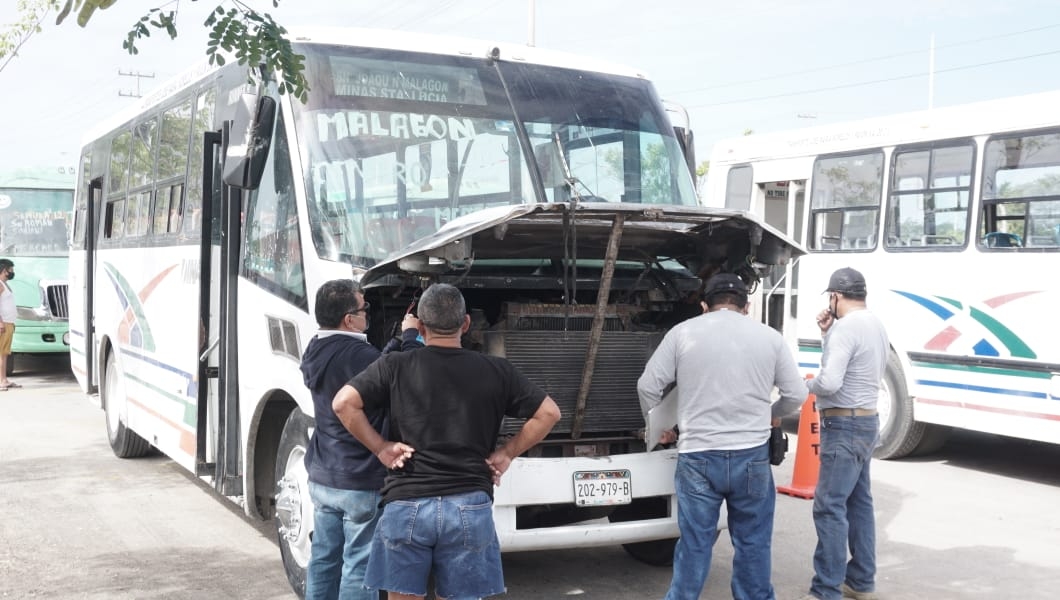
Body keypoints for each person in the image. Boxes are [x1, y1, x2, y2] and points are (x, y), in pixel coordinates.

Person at [332, 282, 561, 600]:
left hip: (406, 502)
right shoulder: (496, 370)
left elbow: (344, 403)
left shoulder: (396, 365)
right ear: (465, 324)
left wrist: (381, 448)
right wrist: (507, 453)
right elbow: (549, 413)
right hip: (470, 503)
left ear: (421, 327)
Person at [637, 273, 808, 600]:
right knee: (753, 543)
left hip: (697, 456)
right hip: (751, 457)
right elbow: (797, 394)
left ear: (704, 306)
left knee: (695, 543)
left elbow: (647, 385)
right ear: (746, 306)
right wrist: (772, 412)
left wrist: (660, 426)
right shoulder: (769, 337)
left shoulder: (682, 333)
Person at [299, 279, 422, 600]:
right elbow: (407, 376)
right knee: (359, 563)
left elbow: (370, 367)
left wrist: (391, 347)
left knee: (324, 558)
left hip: (324, 475)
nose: (368, 313)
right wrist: (410, 337)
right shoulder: (359, 355)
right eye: (364, 308)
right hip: (359, 479)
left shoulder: (316, 348)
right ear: (348, 319)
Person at [798, 267, 889, 600]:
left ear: (835, 296)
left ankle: (826, 589)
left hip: (844, 425)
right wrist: (827, 334)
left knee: (829, 506)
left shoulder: (846, 329)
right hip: (867, 422)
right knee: (859, 503)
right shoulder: (874, 324)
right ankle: (861, 581)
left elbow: (830, 382)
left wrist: (804, 385)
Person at [0, 259, 20, 390]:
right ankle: (1, 381)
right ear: (4, 270)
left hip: (9, 323)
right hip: (4, 323)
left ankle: (4, 380)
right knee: (1, 353)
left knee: (5, 353)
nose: (12, 272)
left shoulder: (4, 284)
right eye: (11, 270)